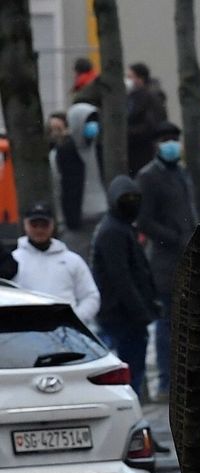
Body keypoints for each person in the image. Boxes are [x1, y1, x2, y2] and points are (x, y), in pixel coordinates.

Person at [136, 121, 197, 403]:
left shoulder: (181, 173)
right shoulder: (148, 177)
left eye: (175, 138)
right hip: (163, 261)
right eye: (166, 139)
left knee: (184, 322)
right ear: (156, 145)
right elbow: (145, 219)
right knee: (166, 324)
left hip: (185, 256)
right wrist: (172, 237)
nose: (171, 144)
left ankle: (183, 380)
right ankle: (165, 382)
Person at [91, 176, 160, 399]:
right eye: (126, 199)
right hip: (122, 317)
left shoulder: (120, 228)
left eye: (134, 199)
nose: (131, 203)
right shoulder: (114, 231)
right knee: (129, 378)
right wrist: (140, 312)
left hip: (126, 316)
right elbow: (122, 278)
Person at [10, 202, 100, 324]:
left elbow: (91, 296)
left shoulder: (72, 260)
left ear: (53, 225)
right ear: (25, 224)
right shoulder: (12, 262)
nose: (39, 229)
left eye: (44, 224)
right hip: (24, 333)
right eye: (34, 224)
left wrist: (75, 320)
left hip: (66, 336)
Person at [55, 102, 109, 260]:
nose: (93, 126)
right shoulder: (64, 154)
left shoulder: (99, 150)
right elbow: (58, 187)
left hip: (101, 216)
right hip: (76, 222)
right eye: (88, 121)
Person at [125, 63, 168, 177]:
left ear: (140, 79)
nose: (127, 80)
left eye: (130, 77)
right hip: (134, 153)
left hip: (144, 152)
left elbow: (150, 126)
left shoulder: (149, 98)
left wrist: (126, 133)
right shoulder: (131, 98)